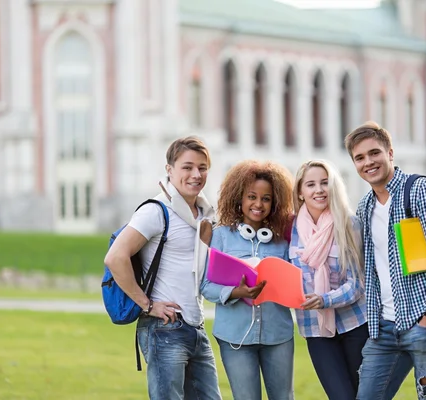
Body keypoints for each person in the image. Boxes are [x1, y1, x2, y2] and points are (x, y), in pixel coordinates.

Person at [345, 121, 426, 399]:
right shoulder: (365, 205)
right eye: (359, 158)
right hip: (383, 328)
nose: (368, 162)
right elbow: (371, 268)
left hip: (425, 320)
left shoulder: (421, 190)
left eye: (374, 153)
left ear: (390, 153)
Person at [104, 136, 222, 400]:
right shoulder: (157, 211)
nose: (196, 174)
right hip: (164, 329)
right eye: (187, 167)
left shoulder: (204, 215)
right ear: (170, 170)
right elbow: (115, 257)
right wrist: (146, 305)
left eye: (202, 168)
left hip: (196, 328)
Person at [201, 160, 295, 400]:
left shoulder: (281, 241)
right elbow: (205, 286)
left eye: (266, 198)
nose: (258, 204)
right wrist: (235, 292)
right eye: (251, 196)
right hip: (235, 338)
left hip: (278, 336)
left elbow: (294, 286)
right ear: (239, 199)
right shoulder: (221, 236)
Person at [289, 159, 368, 400]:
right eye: (311, 184)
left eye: (325, 183)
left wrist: (324, 300)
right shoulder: (289, 229)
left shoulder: (349, 224)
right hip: (316, 330)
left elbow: (357, 284)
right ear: (301, 192)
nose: (319, 190)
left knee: (364, 396)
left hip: (354, 324)